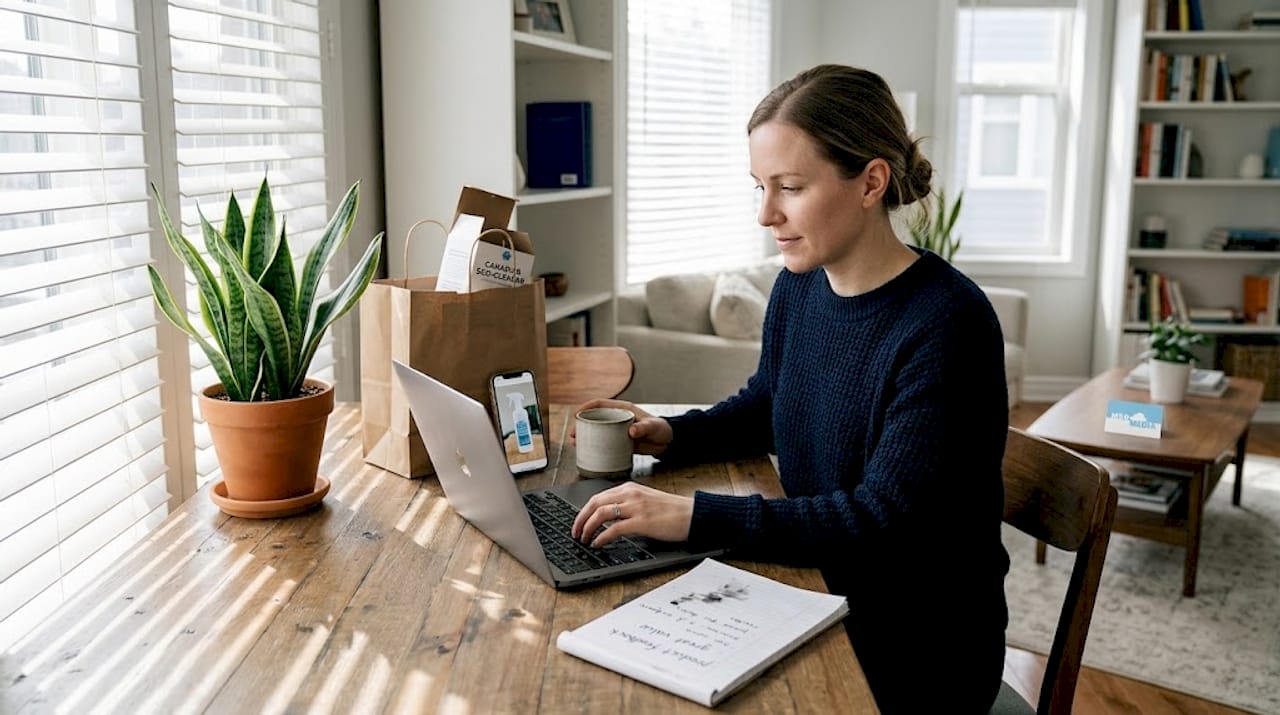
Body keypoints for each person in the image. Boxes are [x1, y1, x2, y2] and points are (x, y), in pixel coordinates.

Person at [570, 64, 1010, 713]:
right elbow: (768, 402)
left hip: (919, 645)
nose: (765, 213)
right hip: (816, 586)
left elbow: (881, 521)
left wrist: (693, 515)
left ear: (871, 182)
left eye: (791, 187)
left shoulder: (948, 324)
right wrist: (673, 433)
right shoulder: (799, 286)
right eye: (760, 186)